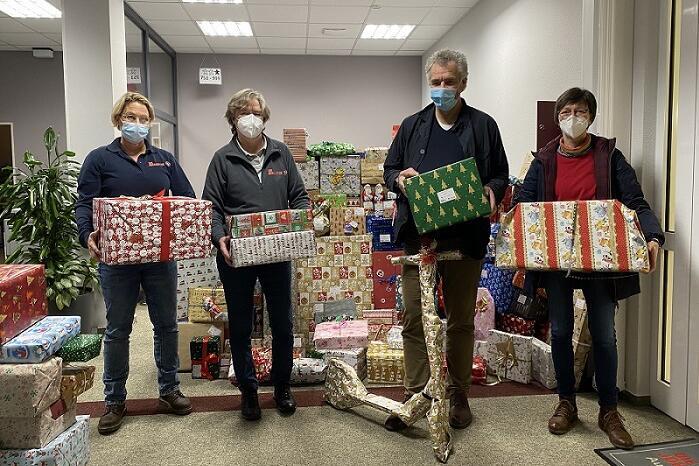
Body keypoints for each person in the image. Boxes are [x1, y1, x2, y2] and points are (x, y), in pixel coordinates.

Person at [514, 87, 663, 449]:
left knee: (605, 335)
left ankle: (609, 411)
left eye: (580, 112)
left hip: (602, 261)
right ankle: (566, 402)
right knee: (561, 331)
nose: (573, 118)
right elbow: (523, 206)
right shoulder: (543, 160)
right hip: (557, 261)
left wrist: (653, 236)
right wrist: (516, 243)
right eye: (566, 112)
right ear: (558, 118)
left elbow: (635, 202)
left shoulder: (609, 156)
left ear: (591, 117)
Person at [383, 49, 509, 431]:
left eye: (449, 82)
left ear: (463, 83)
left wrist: (491, 191)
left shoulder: (484, 126)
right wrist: (399, 179)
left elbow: (500, 174)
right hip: (419, 239)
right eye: (435, 82)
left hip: (465, 240)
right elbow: (389, 169)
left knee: (459, 321)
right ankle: (415, 395)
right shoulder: (412, 125)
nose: (441, 88)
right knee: (413, 317)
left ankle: (458, 395)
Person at [75, 92, 196, 435]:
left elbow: (186, 199)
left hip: (160, 258)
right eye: (131, 117)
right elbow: (84, 203)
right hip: (117, 260)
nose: (138, 124)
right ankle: (114, 400)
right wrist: (86, 235)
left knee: (167, 324)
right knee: (117, 329)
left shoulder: (164, 160)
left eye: (144, 119)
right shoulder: (99, 159)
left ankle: (169, 390)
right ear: (119, 120)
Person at [202, 88, 309, 421]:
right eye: (245, 113)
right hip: (236, 255)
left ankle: (282, 386)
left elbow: (299, 197)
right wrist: (218, 237)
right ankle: (248, 391)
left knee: (283, 322)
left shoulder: (281, 154)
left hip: (276, 251)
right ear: (233, 119)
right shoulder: (222, 159)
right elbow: (211, 207)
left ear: (265, 118)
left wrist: (301, 222)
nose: (252, 119)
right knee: (241, 324)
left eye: (258, 113)